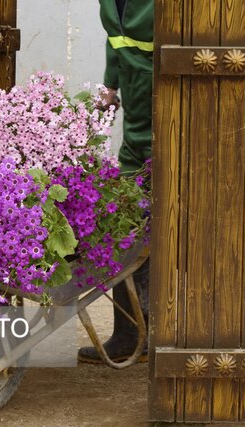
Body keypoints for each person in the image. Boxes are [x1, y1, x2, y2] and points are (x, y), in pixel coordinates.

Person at [77, 0, 153, 364]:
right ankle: (130, 335)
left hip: (172, 119)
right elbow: (117, 40)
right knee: (127, 225)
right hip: (137, 129)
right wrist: (109, 86)